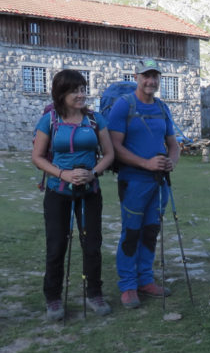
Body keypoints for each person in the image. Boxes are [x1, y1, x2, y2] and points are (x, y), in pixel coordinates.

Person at [31, 70, 115, 321]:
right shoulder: (49, 120)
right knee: (57, 245)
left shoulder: (94, 119)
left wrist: (93, 174)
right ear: (61, 94)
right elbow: (37, 157)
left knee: (92, 244)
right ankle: (53, 298)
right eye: (74, 90)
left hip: (90, 191)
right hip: (58, 192)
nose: (81, 95)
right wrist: (63, 174)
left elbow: (109, 154)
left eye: (82, 89)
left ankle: (94, 293)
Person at [108, 59, 180, 309]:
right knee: (132, 231)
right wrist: (146, 163)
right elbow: (115, 147)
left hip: (159, 182)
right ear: (136, 77)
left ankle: (146, 280)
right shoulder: (123, 106)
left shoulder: (161, 108)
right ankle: (128, 286)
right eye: (146, 76)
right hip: (133, 181)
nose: (151, 81)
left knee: (151, 230)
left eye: (155, 76)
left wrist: (171, 161)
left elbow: (173, 144)